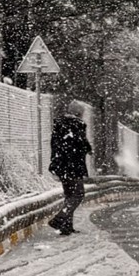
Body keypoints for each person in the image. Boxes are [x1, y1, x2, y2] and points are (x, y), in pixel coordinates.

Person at [47, 100, 92, 235]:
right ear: (79, 113)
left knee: (69, 195)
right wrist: (88, 149)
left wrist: (55, 162)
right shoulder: (77, 124)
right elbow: (80, 143)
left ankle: (66, 226)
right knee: (78, 194)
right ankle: (59, 219)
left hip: (61, 165)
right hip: (74, 165)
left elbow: (55, 144)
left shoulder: (59, 124)